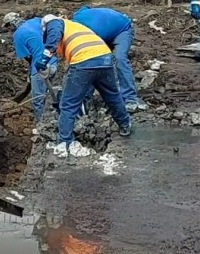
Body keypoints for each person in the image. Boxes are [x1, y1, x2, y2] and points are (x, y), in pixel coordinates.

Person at [39, 14, 131, 157]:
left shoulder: (54, 22)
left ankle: (65, 141)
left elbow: (54, 35)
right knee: (112, 96)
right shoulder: (75, 28)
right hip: (105, 58)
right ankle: (125, 125)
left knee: (68, 105)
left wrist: (44, 58)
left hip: (84, 60)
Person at [72, 6, 148, 112]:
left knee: (119, 59)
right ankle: (86, 99)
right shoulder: (75, 20)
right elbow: (85, 7)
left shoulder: (89, 32)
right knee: (91, 61)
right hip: (106, 28)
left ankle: (130, 98)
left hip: (122, 29)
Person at [4, 12, 58, 128]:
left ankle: (40, 127)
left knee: (38, 100)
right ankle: (53, 123)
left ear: (11, 24)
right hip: (52, 62)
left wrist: (31, 72)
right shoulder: (35, 21)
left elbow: (28, 57)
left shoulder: (17, 35)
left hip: (39, 68)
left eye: (8, 28)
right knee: (49, 96)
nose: (9, 31)